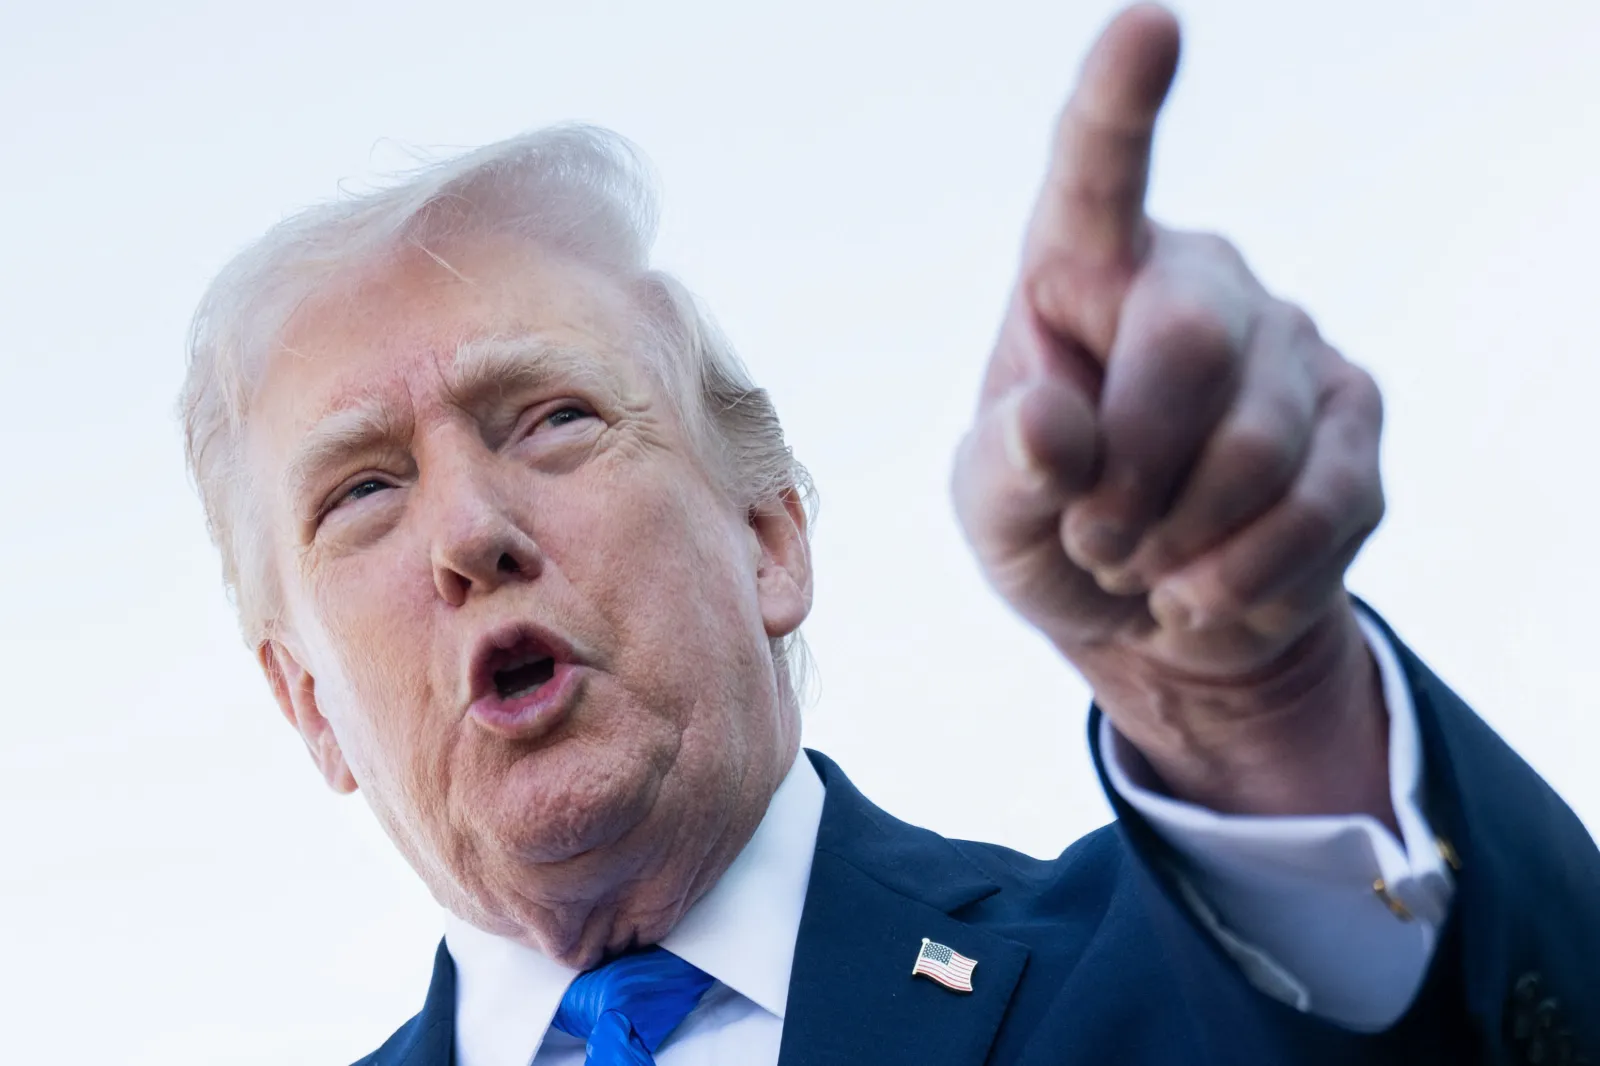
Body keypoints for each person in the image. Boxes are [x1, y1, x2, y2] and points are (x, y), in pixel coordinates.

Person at [178, 5, 1597, 1064]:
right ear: (307, 703)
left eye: (549, 417)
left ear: (772, 537)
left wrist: (1264, 706)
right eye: (360, 491)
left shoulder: (1190, 975)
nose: (470, 530)